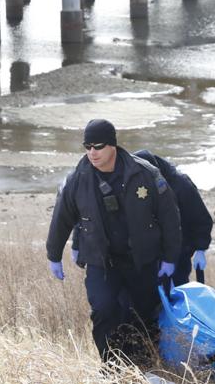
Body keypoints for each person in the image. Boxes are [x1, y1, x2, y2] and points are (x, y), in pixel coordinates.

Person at [46, 119, 182, 365]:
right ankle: (111, 367)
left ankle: (142, 365)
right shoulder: (78, 179)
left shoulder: (145, 174)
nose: (92, 153)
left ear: (113, 146)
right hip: (101, 260)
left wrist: (171, 257)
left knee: (143, 315)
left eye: (98, 146)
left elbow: (170, 217)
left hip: (141, 259)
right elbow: (61, 218)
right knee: (104, 310)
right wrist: (54, 255)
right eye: (87, 146)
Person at [70, 150, 213, 286]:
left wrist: (201, 248)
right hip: (148, 249)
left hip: (181, 247)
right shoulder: (130, 182)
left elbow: (201, 218)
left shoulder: (181, 185)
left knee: (178, 286)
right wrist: (78, 244)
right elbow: (92, 213)